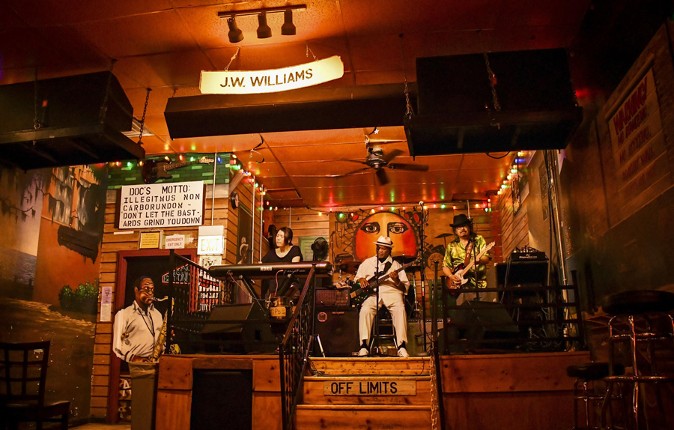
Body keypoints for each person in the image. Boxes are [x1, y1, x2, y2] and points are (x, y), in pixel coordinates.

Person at [112, 275, 163, 430]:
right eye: (146, 289)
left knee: (155, 407)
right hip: (137, 365)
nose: (150, 293)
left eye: (152, 290)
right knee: (142, 407)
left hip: (156, 364)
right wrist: (134, 357)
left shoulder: (158, 315)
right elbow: (117, 344)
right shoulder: (123, 315)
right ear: (136, 290)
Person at [354, 235, 410, 357]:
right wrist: (362, 279)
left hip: (392, 293)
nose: (380, 251)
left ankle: (401, 346)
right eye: (378, 248)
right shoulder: (367, 263)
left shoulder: (396, 265)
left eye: (384, 249)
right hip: (373, 294)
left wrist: (396, 281)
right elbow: (356, 279)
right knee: (365, 310)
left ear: (389, 250)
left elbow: (404, 287)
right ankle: (364, 345)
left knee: (400, 309)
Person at [442, 214, 491, 304]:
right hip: (461, 288)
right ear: (455, 231)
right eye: (458, 227)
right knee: (464, 315)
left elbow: (486, 258)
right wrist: (451, 276)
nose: (462, 229)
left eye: (464, 226)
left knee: (483, 314)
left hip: (480, 285)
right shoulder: (451, 246)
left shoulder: (478, 239)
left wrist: (479, 260)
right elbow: (445, 266)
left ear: (469, 227)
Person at [261, 226, 303, 299]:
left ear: (289, 240)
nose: (278, 238)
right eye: (277, 236)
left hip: (290, 288)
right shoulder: (272, 253)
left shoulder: (294, 249)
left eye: (281, 236)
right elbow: (261, 264)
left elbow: (294, 267)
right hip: (275, 289)